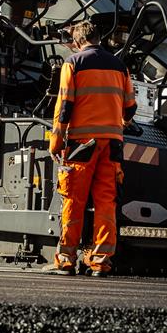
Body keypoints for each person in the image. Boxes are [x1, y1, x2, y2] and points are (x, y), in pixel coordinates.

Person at [46, 21, 136, 277]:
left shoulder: (73, 63)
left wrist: (57, 140)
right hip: (112, 145)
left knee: (74, 200)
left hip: (81, 145)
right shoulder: (120, 67)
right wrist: (119, 124)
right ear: (99, 38)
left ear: (77, 41)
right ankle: (100, 262)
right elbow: (130, 108)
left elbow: (65, 105)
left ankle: (66, 259)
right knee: (106, 202)